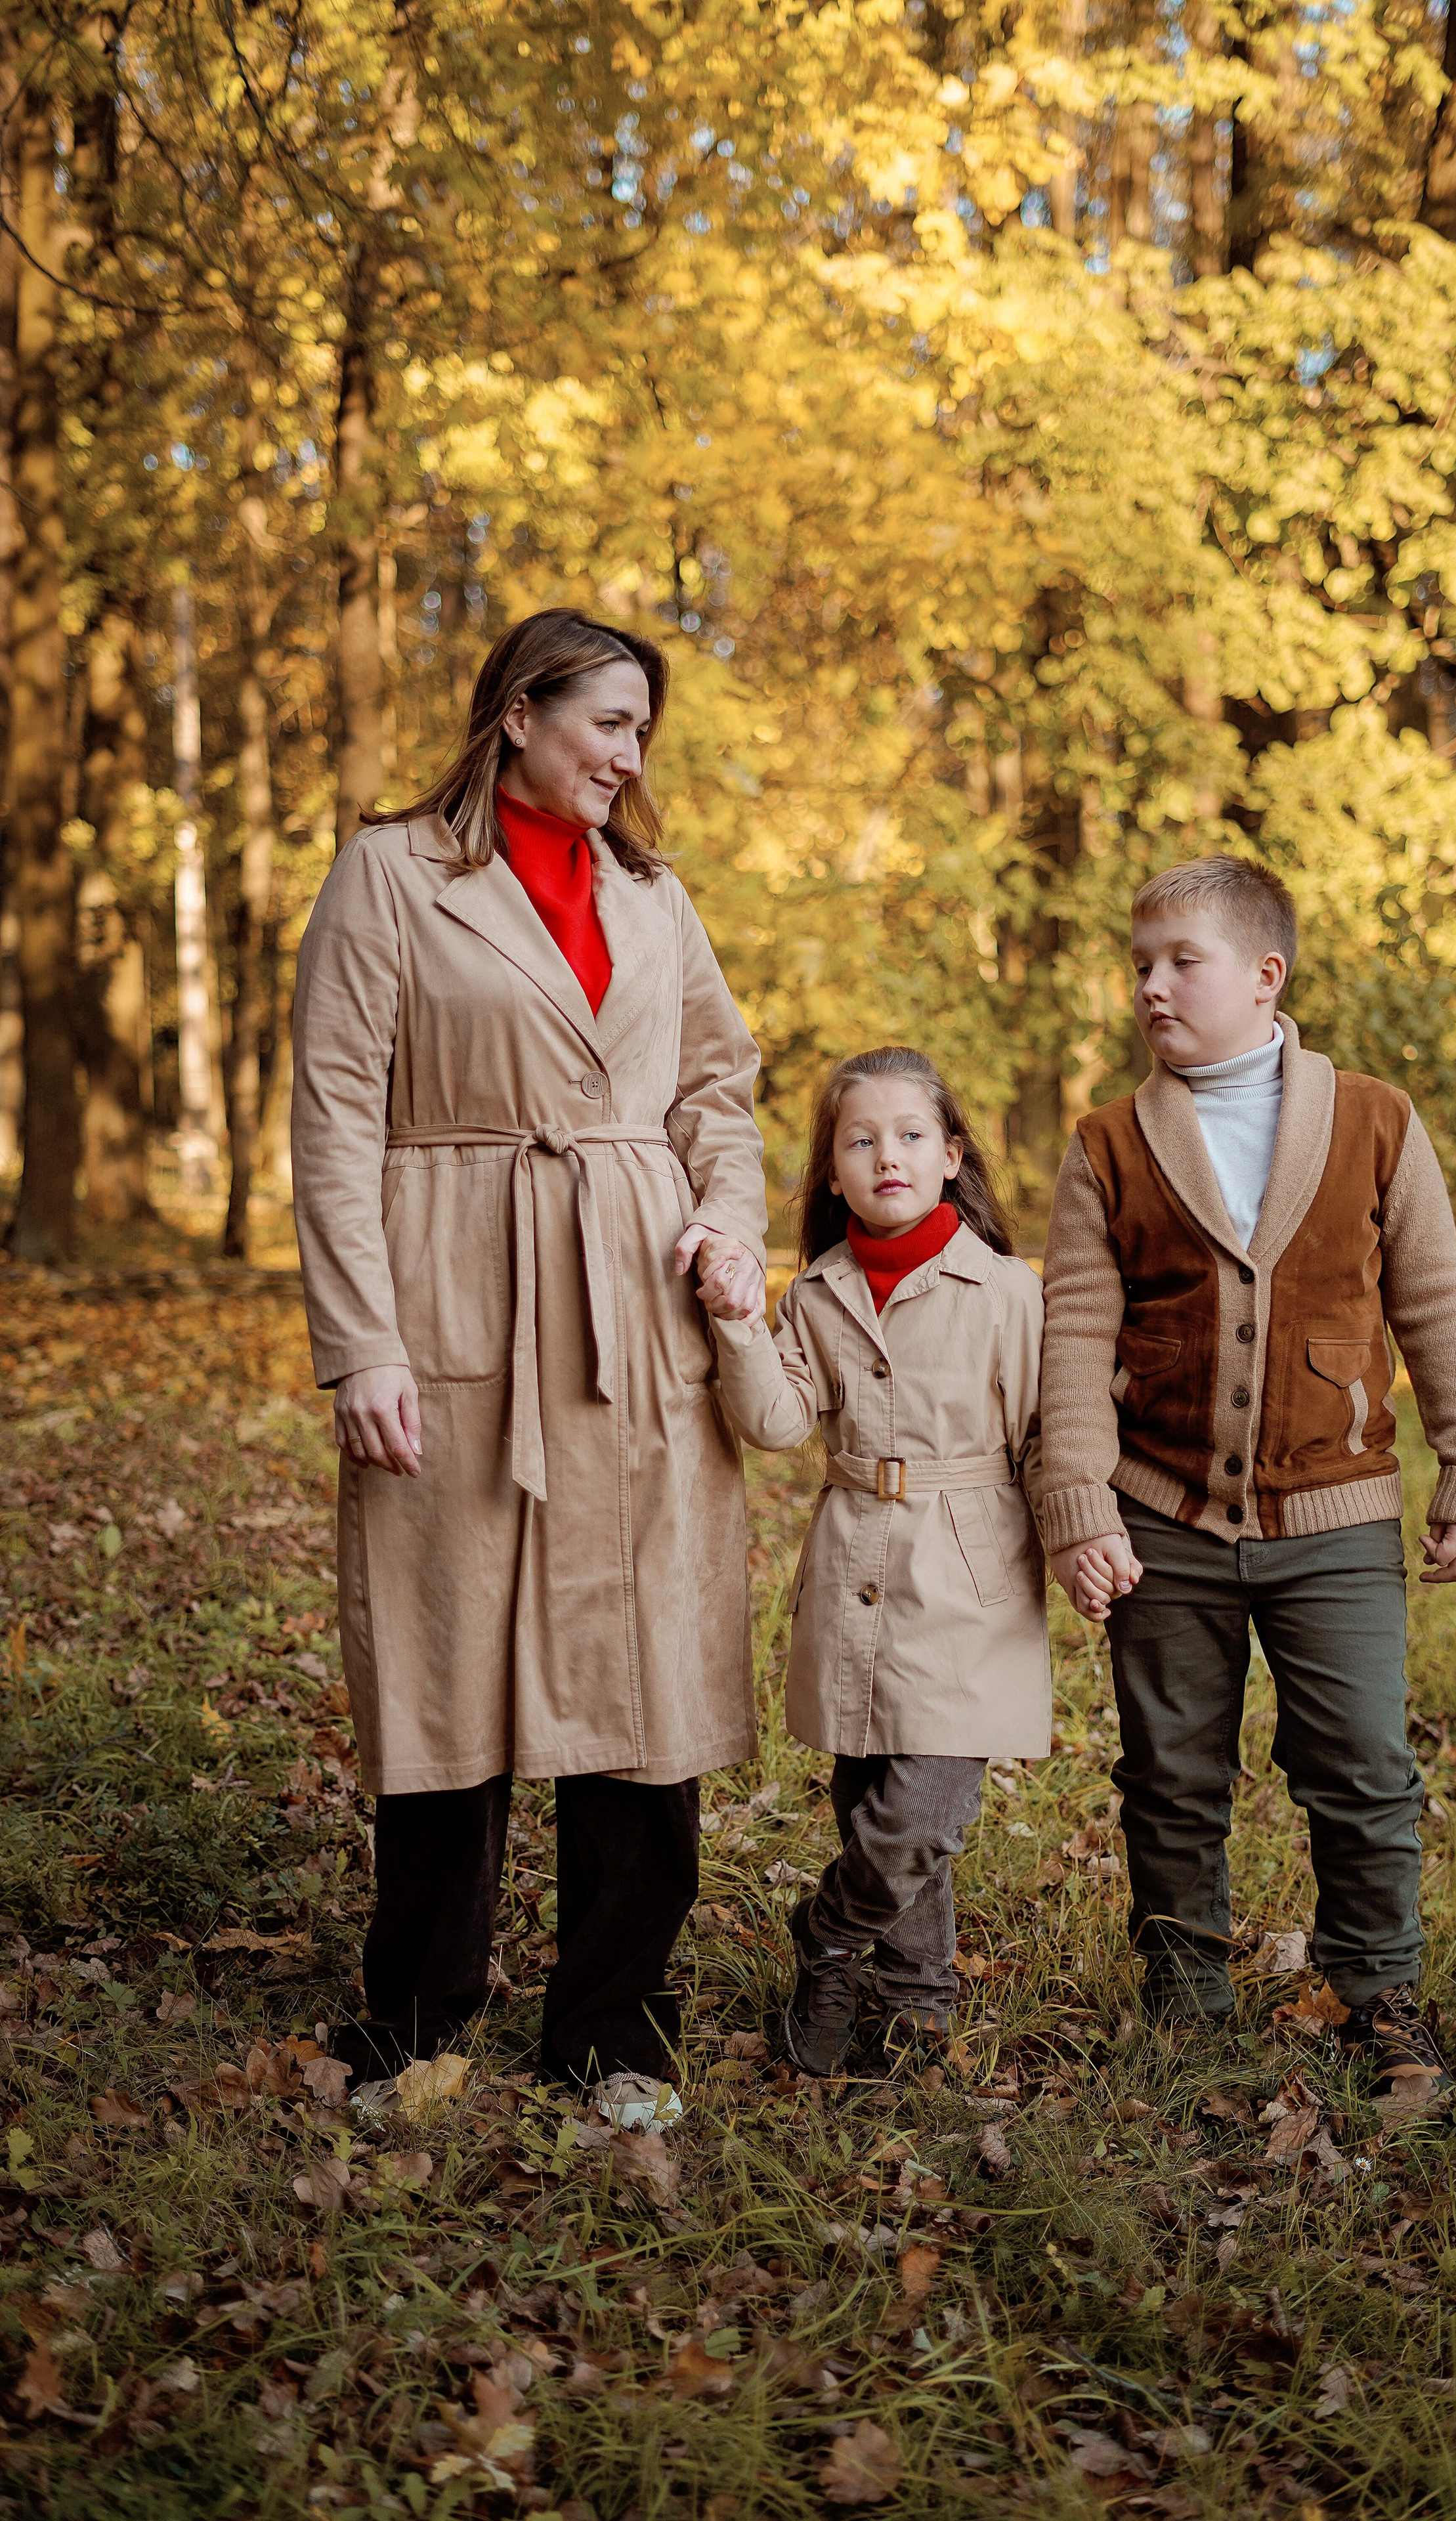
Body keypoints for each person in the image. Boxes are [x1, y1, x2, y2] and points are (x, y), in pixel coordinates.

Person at [289, 608, 769, 2128]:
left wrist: (728, 1227)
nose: (629, 757)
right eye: (605, 722)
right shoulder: (393, 872)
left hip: (633, 1305)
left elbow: (718, 1089)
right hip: (450, 1289)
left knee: (643, 1659)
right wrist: (361, 1338)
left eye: (643, 731)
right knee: (444, 1658)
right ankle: (416, 2020)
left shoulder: (653, 893)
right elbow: (333, 1114)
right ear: (516, 712)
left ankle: (611, 2033)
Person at [1037, 855, 1456, 2108]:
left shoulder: (1375, 1120)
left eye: (1180, 962)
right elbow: (1075, 1334)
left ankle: (1382, 1995)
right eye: (1139, 964)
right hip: (1162, 1514)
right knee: (1171, 1766)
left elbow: (1438, 1303)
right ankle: (1185, 1995)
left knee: (1358, 1758)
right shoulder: (1109, 1143)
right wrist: (1080, 1505)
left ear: (1264, 975)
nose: (1151, 987)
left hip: (1335, 1511)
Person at [711, 1046, 1051, 2075]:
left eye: (910, 1136)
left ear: (952, 1156)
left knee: (924, 1811)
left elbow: (1043, 1436)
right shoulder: (816, 1296)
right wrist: (736, 1321)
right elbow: (774, 1420)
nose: (886, 1156)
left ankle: (826, 1934)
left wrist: (1088, 1546)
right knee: (869, 1798)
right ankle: (914, 2003)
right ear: (832, 1173)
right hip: (856, 1561)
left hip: (972, 1570)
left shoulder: (1004, 1292)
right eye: (859, 1141)